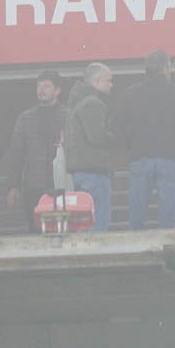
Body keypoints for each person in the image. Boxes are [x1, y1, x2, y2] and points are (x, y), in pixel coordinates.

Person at [111, 51, 175, 230]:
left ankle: (135, 247)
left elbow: (117, 126)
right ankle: (166, 248)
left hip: (140, 158)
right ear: (165, 69)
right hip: (170, 158)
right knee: (168, 210)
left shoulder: (132, 93)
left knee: (137, 209)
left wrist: (130, 145)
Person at [0, 69, 68, 229]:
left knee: (63, 232)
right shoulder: (25, 118)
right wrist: (13, 186)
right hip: (33, 189)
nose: (41, 90)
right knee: (35, 233)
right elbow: (16, 154)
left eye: (46, 86)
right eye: (38, 86)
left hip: (62, 188)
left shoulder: (68, 116)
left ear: (58, 90)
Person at [64, 62, 116, 231]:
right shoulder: (93, 103)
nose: (111, 85)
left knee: (84, 223)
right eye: (108, 80)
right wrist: (117, 138)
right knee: (98, 223)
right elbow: (97, 137)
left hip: (81, 172)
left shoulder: (77, 103)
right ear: (97, 81)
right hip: (95, 172)